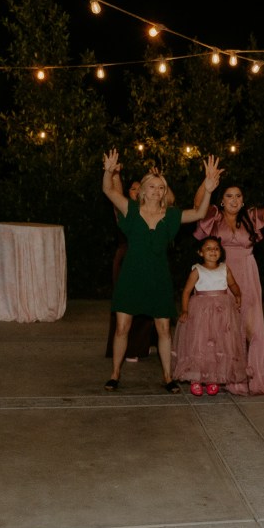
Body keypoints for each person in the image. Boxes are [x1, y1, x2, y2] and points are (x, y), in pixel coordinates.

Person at [101, 149, 220, 393]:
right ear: (143, 190)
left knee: (164, 329)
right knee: (123, 327)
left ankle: (167, 377)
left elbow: (198, 213)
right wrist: (108, 171)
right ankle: (115, 374)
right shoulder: (131, 210)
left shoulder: (171, 216)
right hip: (132, 277)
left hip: (158, 278)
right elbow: (108, 190)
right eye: (153, 187)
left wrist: (208, 189)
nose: (157, 191)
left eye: (161, 188)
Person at [193, 160, 264, 395]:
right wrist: (207, 184)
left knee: (251, 324)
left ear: (242, 200)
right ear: (222, 200)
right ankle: (224, 373)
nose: (234, 200)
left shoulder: (251, 217)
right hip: (220, 275)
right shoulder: (213, 216)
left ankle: (253, 373)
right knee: (223, 326)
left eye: (238, 196)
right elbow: (197, 206)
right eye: (229, 196)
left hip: (247, 272)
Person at [172, 236, 246, 396]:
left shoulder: (225, 269)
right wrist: (185, 310)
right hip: (201, 313)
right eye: (208, 248)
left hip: (222, 312)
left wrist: (238, 294)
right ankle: (196, 378)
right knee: (200, 344)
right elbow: (186, 291)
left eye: (216, 248)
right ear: (200, 252)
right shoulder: (197, 270)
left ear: (221, 252)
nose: (213, 251)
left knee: (219, 344)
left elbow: (232, 284)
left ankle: (214, 378)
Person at [105, 176, 158, 362]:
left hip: (147, 257)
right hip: (126, 256)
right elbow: (115, 192)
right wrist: (116, 175)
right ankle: (128, 349)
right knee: (126, 303)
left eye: (139, 188)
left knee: (148, 300)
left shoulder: (152, 208)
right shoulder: (125, 207)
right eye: (132, 189)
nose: (136, 191)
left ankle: (144, 344)